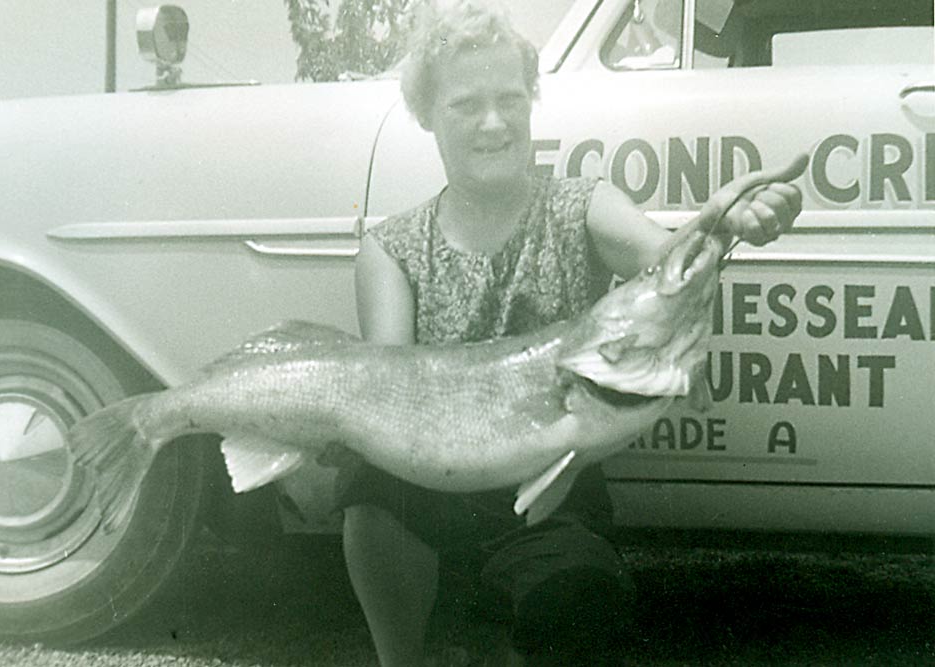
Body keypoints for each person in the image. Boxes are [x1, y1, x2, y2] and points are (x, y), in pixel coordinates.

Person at [338, 1, 803, 665]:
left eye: (509, 98)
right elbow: (389, 394)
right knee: (370, 487)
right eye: (466, 104)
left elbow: (664, 266)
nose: (493, 122)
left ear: (532, 99)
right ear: (427, 115)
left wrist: (722, 225)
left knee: (580, 601)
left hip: (553, 497)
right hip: (430, 491)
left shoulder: (582, 204)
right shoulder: (391, 247)